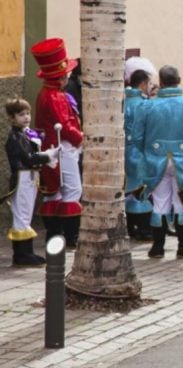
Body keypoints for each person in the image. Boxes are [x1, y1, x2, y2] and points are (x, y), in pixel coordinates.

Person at [132, 65, 183, 259]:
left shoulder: (147, 106)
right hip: (182, 161)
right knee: (182, 204)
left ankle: (157, 247)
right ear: (179, 79)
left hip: (156, 159)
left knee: (160, 203)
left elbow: (136, 136)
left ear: (161, 82)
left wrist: (146, 152)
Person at [31, 38, 84, 249]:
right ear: (60, 76)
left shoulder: (45, 93)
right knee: (72, 191)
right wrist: (81, 137)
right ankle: (71, 237)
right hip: (63, 148)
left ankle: (54, 236)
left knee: (54, 192)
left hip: (51, 148)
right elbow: (65, 125)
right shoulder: (57, 97)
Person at [2, 98, 59, 267]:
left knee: (26, 215)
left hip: (30, 177)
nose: (26, 117)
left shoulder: (25, 134)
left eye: (27, 113)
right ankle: (22, 254)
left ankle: (27, 252)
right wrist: (48, 155)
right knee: (22, 215)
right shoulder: (15, 137)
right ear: (12, 118)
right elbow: (28, 159)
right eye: (21, 114)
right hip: (22, 177)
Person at [123, 57, 158, 242]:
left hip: (124, 151)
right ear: (143, 84)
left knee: (128, 189)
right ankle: (144, 229)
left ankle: (130, 227)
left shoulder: (122, 102)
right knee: (142, 190)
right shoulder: (144, 105)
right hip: (140, 151)